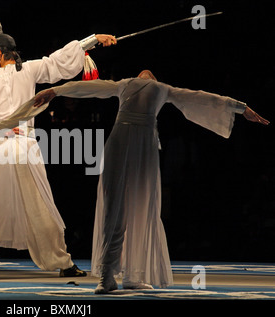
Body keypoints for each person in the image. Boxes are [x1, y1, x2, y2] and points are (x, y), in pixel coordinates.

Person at [33, 70, 269, 292]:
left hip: (139, 144)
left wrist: (240, 107)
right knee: (117, 203)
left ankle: (132, 275)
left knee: (140, 206)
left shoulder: (152, 87)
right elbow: (91, 87)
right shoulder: (130, 85)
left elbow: (200, 98)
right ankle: (108, 275)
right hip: (129, 142)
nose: (145, 73)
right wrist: (56, 91)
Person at [0, 28, 117, 277]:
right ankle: (63, 263)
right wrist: (92, 40)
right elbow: (57, 61)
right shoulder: (28, 69)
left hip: (3, 145)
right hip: (25, 145)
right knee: (40, 204)